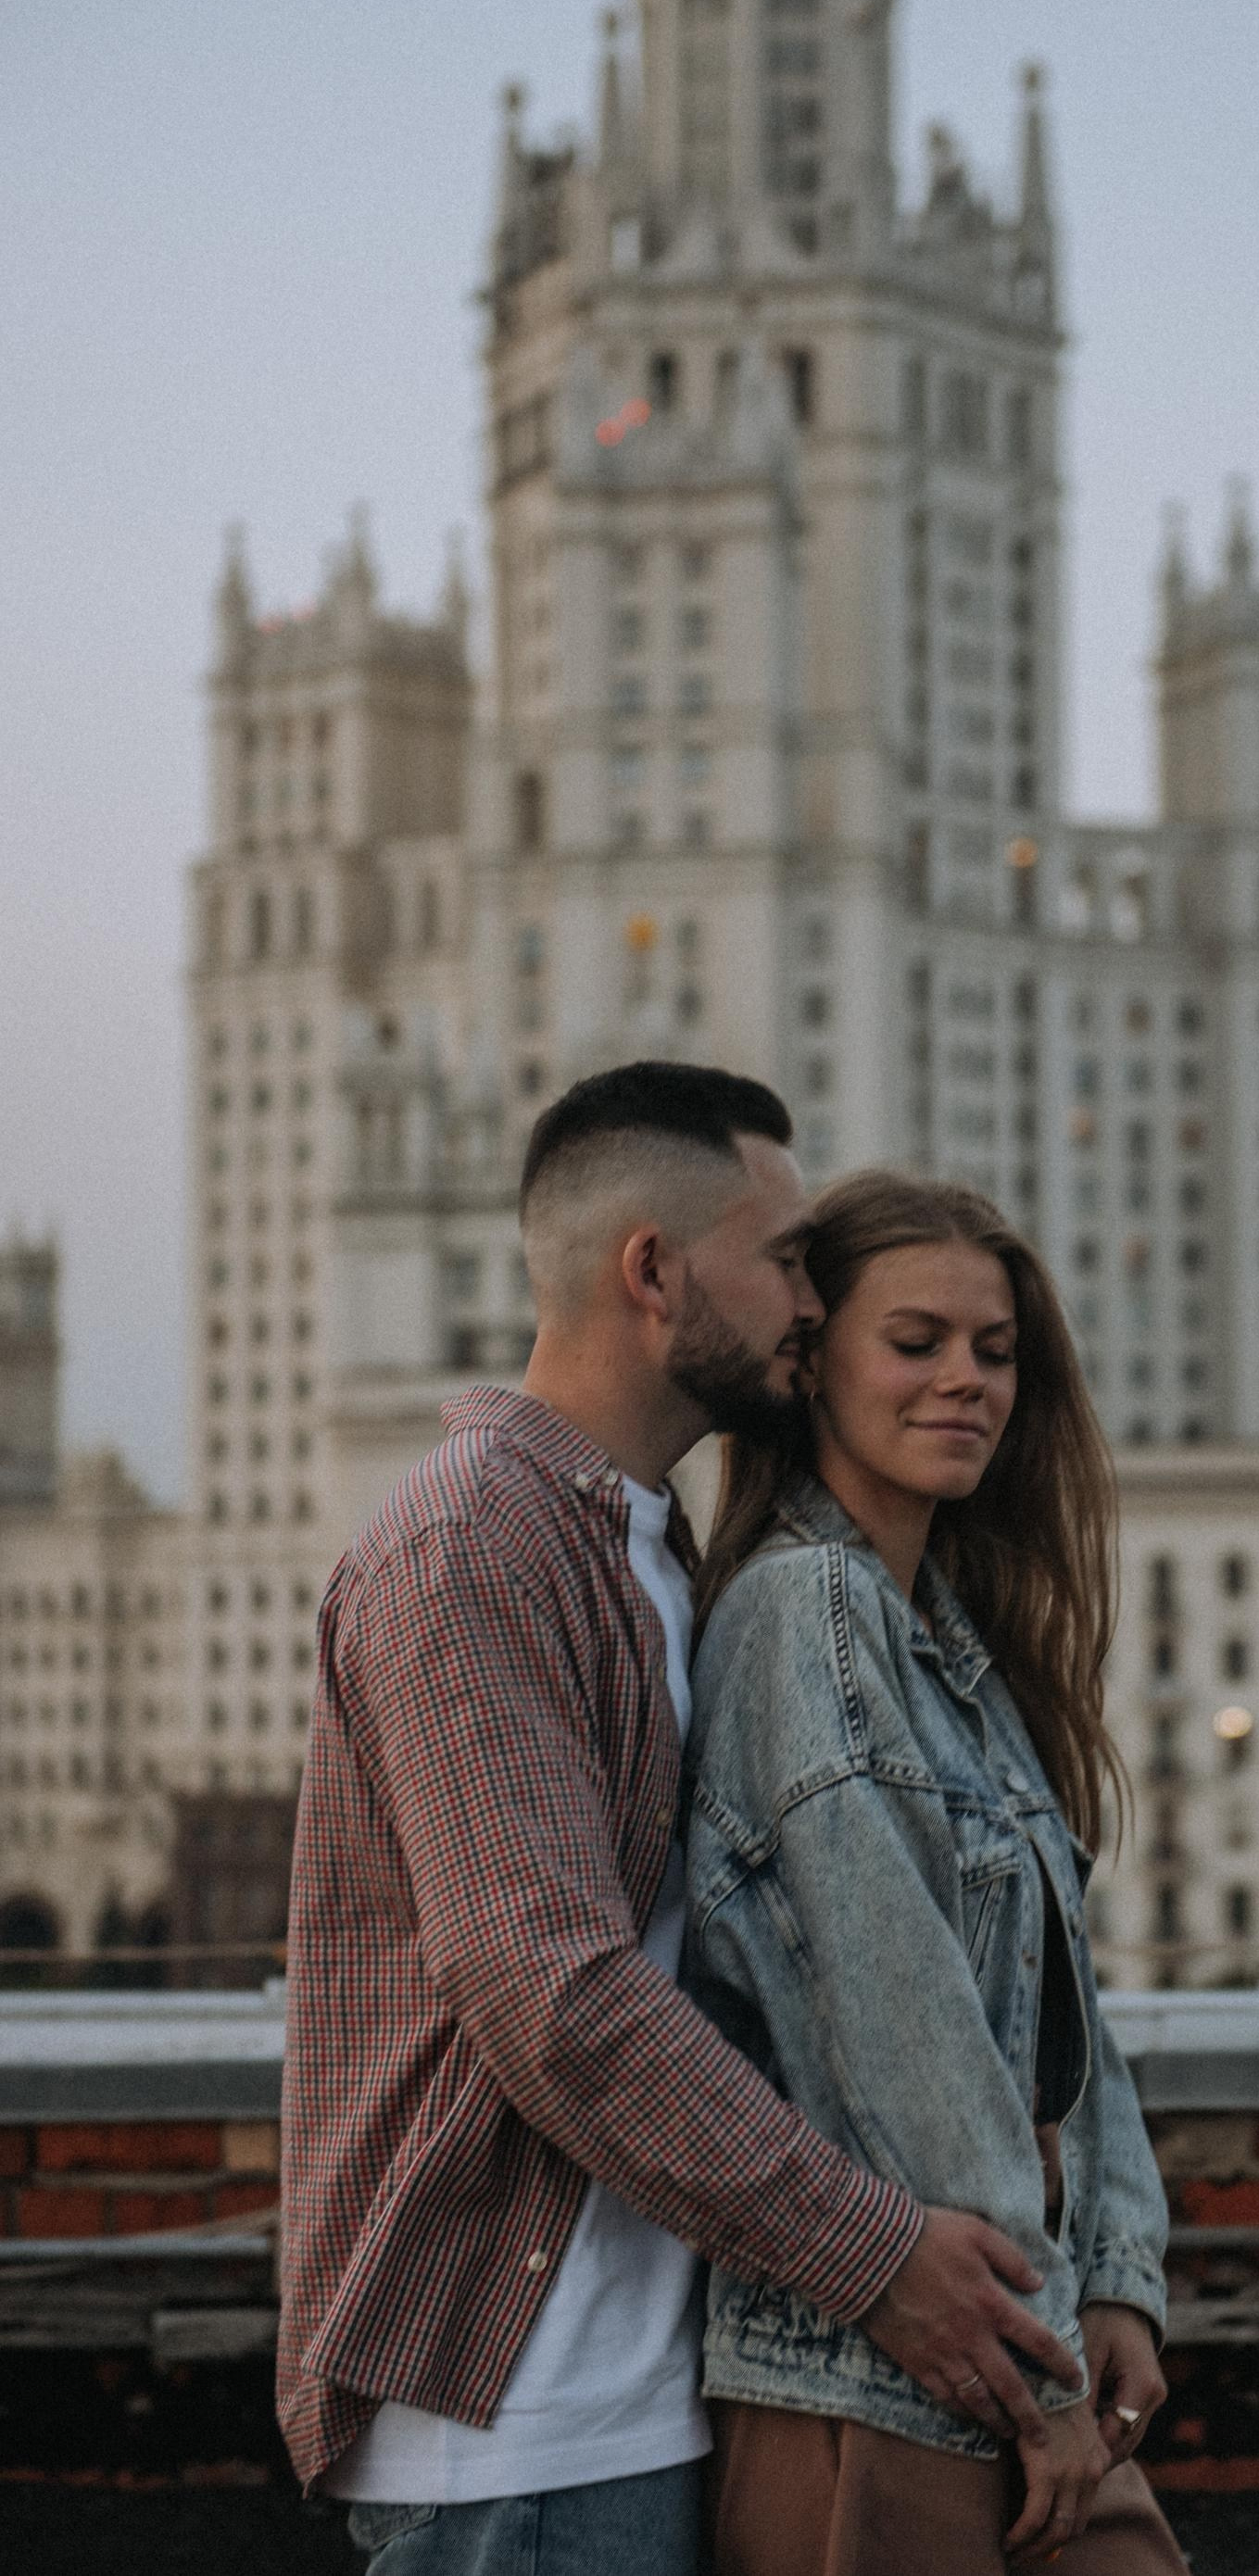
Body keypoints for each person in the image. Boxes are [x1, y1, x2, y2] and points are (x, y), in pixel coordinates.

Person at [279, 1067, 1082, 2574]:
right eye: (782, 1258)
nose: (807, 1297)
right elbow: (553, 1996)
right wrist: (877, 2254)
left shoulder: (650, 1551)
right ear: (653, 1271)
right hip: (515, 2435)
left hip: (650, 2401)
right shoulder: (474, 1544)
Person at [685, 1170, 1189, 2575]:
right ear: (812, 1362)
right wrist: (1045, 2382)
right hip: (864, 2392)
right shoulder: (809, 1614)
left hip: (1006, 2371)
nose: (966, 1379)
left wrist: (1122, 2286)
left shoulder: (951, 1652)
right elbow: (900, 2026)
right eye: (917, 1344)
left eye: (996, 1349)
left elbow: (1058, 2028)